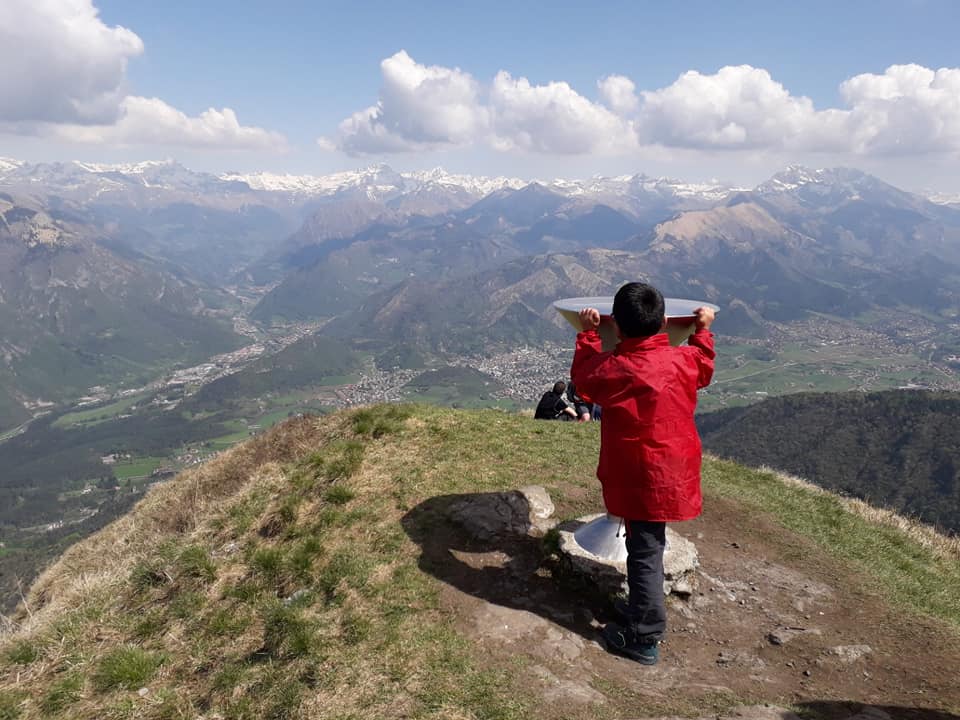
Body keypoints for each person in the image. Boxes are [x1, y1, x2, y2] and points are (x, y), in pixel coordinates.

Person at [571, 282, 715, 665]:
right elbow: (703, 364)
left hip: (641, 477)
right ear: (664, 322)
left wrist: (588, 335)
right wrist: (702, 330)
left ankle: (644, 636)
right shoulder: (681, 361)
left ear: (616, 327)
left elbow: (584, 379)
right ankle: (639, 607)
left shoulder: (615, 368)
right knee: (648, 544)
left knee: (645, 553)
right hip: (673, 471)